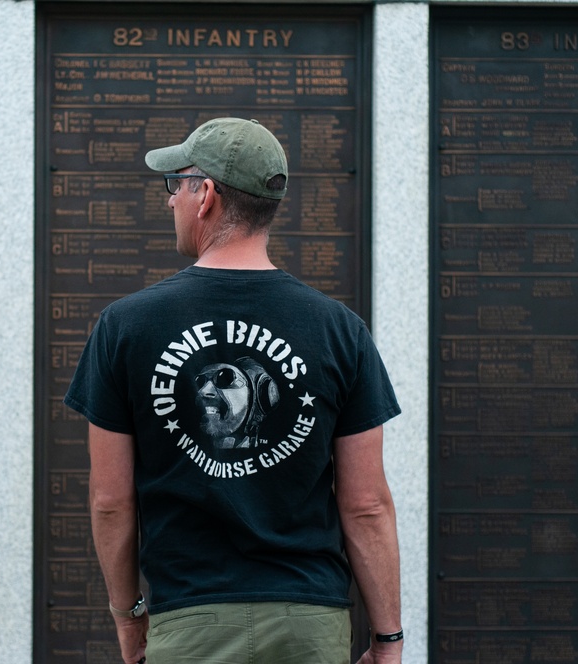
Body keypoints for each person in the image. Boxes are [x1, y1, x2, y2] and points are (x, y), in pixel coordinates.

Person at [64, 117, 403, 664]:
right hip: (309, 625)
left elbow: (110, 502)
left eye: (176, 184)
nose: (169, 200)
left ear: (207, 196)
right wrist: (388, 641)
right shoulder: (340, 330)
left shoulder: (125, 327)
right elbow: (366, 505)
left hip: (189, 622)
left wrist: (129, 621)